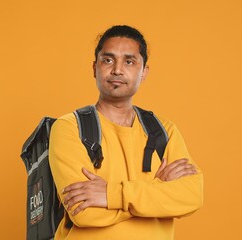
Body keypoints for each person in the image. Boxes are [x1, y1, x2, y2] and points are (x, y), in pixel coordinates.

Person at [48, 25, 203, 240]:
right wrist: (158, 190)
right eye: (108, 60)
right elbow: (85, 213)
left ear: (144, 72)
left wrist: (111, 195)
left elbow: (191, 197)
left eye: (129, 61)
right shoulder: (69, 128)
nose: (117, 70)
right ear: (95, 68)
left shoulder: (163, 131)